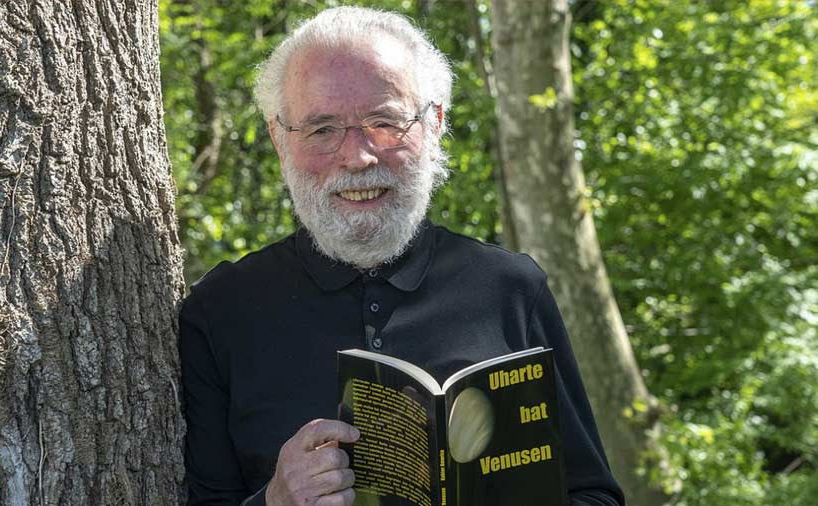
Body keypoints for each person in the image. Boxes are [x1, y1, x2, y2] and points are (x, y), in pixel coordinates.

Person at [179, 6, 625, 506]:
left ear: (434, 125)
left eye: (384, 122)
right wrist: (276, 501)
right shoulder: (220, 311)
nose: (358, 157)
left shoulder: (511, 289)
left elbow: (595, 495)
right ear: (279, 140)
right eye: (322, 129)